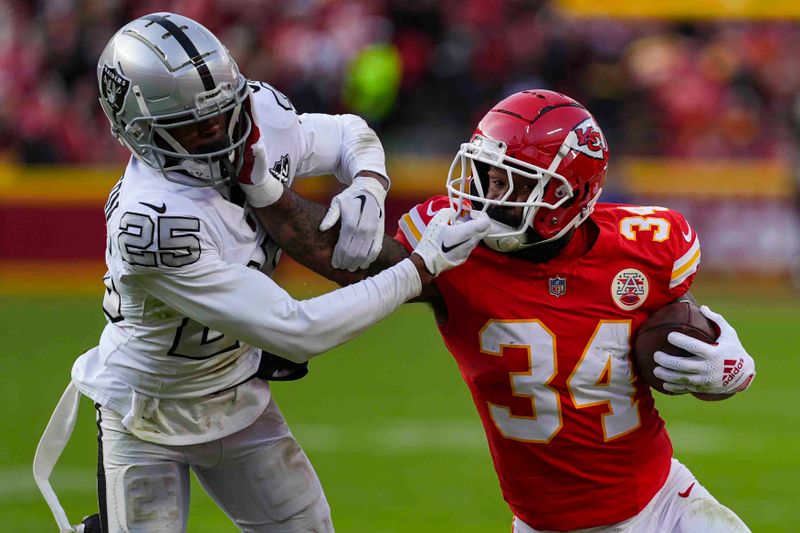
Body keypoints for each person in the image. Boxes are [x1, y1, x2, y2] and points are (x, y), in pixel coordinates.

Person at [32, 12, 491, 533]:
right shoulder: (154, 220)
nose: (218, 133)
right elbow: (299, 329)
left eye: (222, 113)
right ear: (135, 133)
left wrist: (368, 182)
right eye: (192, 127)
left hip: (236, 389)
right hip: (148, 412)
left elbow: (348, 133)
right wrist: (420, 266)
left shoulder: (257, 112)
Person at [248, 90, 756, 532]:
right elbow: (346, 260)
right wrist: (260, 187)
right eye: (486, 173)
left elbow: (677, 340)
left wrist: (729, 369)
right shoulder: (452, 250)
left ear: (564, 194)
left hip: (666, 506)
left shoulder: (648, 246)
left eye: (508, 181)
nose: (484, 194)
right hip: (545, 525)